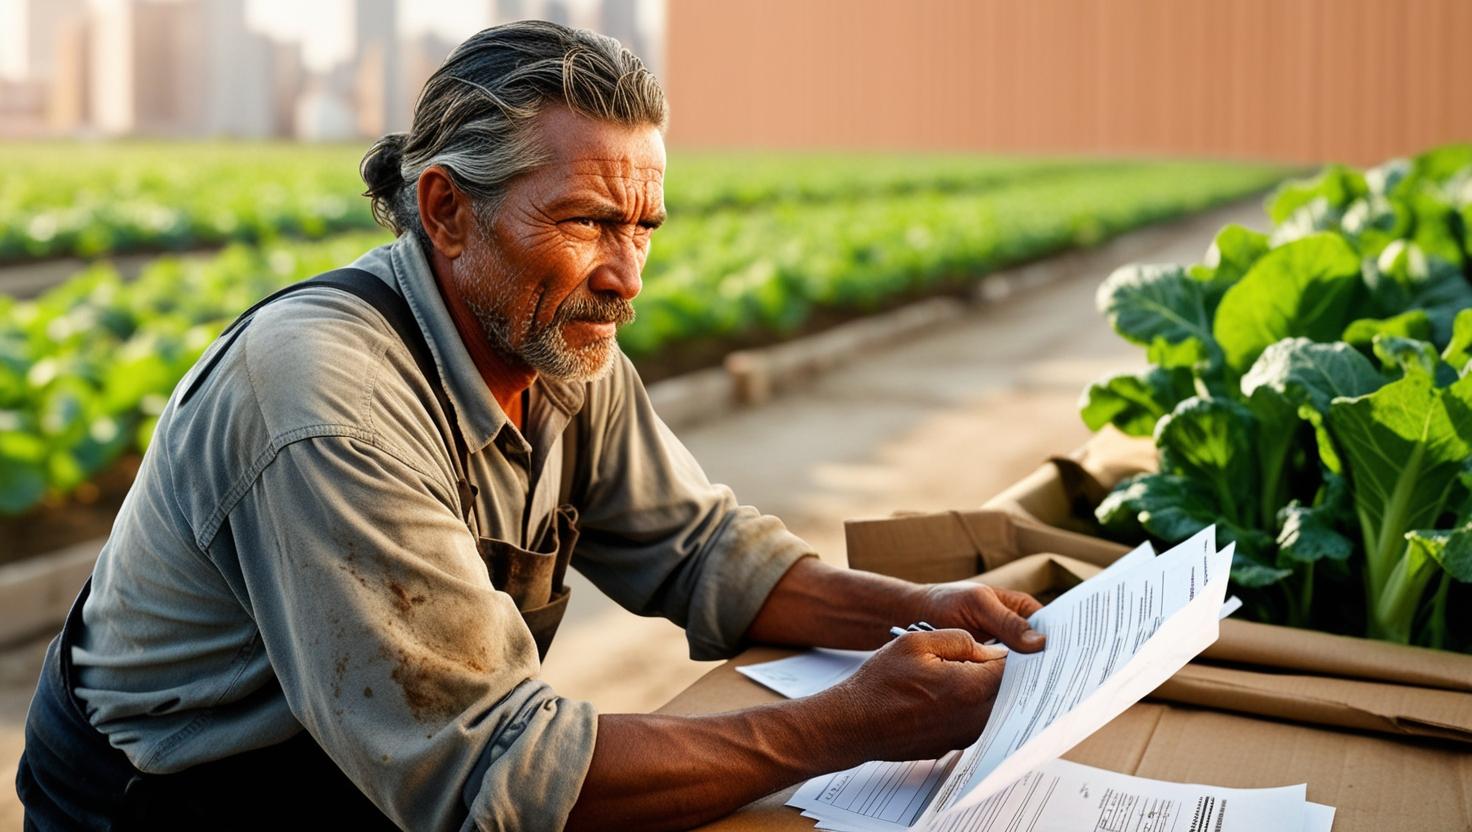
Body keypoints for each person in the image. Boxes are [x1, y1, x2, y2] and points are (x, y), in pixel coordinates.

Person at [16, 20, 1046, 832]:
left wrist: (911, 606)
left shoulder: (558, 346)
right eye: (588, 222)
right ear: (446, 210)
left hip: (377, 773)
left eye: (640, 227)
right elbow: (487, 768)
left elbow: (699, 551)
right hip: (180, 799)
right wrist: (844, 726)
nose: (625, 277)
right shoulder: (323, 405)